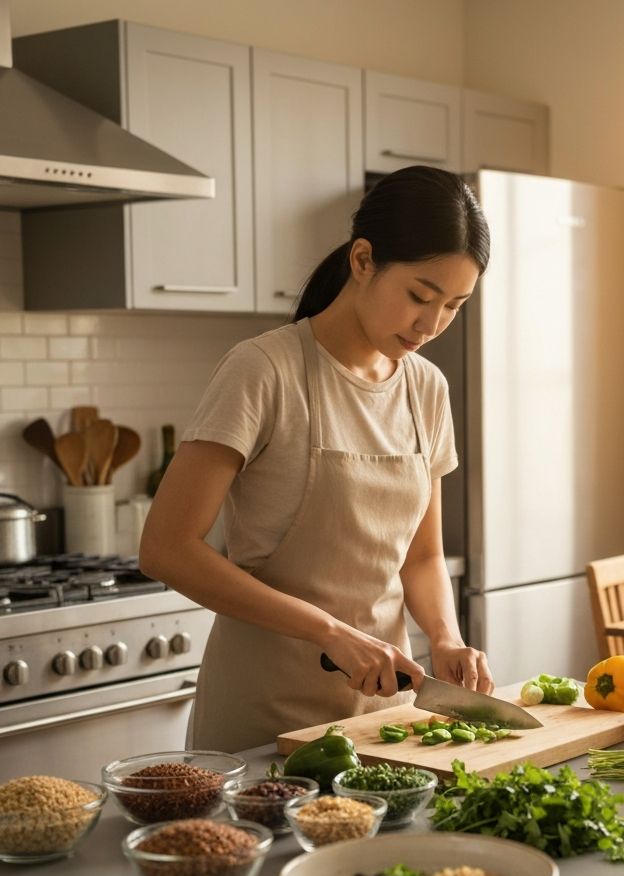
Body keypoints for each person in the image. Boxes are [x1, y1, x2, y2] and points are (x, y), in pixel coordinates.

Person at [139, 165, 494, 753]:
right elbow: (166, 548)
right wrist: (331, 632)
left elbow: (422, 556)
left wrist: (446, 638)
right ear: (363, 260)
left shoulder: (426, 387)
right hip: (264, 717)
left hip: (383, 719)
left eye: (454, 306)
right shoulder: (263, 370)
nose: (431, 325)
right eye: (419, 296)